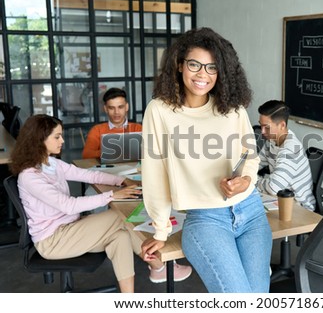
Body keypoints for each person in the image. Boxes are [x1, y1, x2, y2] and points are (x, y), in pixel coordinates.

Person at [140, 27, 272, 293]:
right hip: (206, 219)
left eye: (212, 67)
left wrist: (244, 180)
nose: (203, 74)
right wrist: (161, 230)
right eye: (194, 65)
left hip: (251, 211)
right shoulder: (160, 110)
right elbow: (155, 174)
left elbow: (249, 155)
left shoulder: (231, 107)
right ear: (179, 66)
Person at [9, 115, 191, 292]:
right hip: (53, 241)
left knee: (121, 238)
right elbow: (68, 205)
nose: (62, 140)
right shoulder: (30, 176)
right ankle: (160, 266)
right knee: (119, 216)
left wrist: (122, 180)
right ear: (39, 140)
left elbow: (88, 175)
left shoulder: (51, 163)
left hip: (71, 228)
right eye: (57, 136)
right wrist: (112, 195)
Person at [256, 100, 316, 211]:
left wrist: (250, 180)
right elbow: (255, 163)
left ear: (282, 125)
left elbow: (274, 188)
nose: (262, 131)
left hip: (299, 207)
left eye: (267, 127)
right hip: (278, 198)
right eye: (261, 126)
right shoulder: (272, 141)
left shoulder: (291, 149)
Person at [82, 87, 142, 159]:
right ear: (105, 109)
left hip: (133, 169)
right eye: (111, 108)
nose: (116, 112)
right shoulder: (97, 130)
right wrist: (112, 151)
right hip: (106, 170)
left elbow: (149, 151)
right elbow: (86, 154)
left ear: (126, 107)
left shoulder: (138, 128)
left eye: (120, 107)